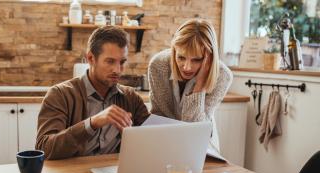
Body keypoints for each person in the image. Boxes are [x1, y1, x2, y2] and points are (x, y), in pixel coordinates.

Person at [36, 26, 150, 160]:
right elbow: (44, 148)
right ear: (90, 58)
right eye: (110, 61)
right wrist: (92, 123)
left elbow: (152, 138)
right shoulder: (60, 94)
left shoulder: (130, 97)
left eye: (122, 62)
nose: (118, 70)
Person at [147, 19, 233, 153]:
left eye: (196, 59)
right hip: (164, 141)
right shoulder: (158, 65)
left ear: (209, 57)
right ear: (174, 50)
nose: (187, 67)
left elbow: (195, 130)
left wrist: (200, 85)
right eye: (181, 57)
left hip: (202, 145)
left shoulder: (222, 76)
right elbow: (159, 116)